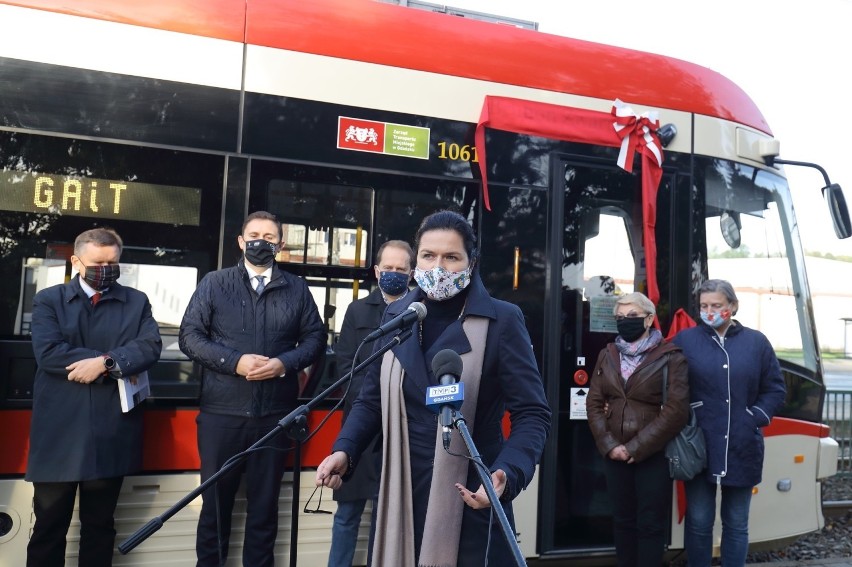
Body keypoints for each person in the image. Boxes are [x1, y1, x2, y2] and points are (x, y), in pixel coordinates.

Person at [315, 210, 551, 567]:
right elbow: (371, 401)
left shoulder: (502, 320)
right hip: (401, 489)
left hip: (471, 493)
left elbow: (533, 414)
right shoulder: (397, 318)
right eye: (428, 256)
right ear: (416, 261)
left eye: (451, 257)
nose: (438, 266)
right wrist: (345, 450)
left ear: (471, 263)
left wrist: (507, 472)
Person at [179, 210, 326, 567]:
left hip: (275, 418)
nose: (262, 241)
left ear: (280, 244)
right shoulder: (215, 283)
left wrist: (284, 364)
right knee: (213, 509)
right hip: (221, 416)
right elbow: (189, 337)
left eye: (270, 236)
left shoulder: (297, 287)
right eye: (255, 235)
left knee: (264, 512)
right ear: (242, 242)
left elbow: (316, 339)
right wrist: (235, 362)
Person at [26, 228, 162, 567]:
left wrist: (103, 363)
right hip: (59, 434)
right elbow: (48, 353)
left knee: (100, 527)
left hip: (110, 431)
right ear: (75, 261)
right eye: (98, 262)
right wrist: (109, 359)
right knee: (48, 526)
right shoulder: (48, 300)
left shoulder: (137, 301)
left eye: (112, 262)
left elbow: (149, 347)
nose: (106, 268)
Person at [672, 279, 786, 567]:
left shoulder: (756, 342)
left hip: (741, 444)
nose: (709, 311)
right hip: (699, 445)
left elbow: (775, 388)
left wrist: (755, 417)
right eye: (704, 306)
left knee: (736, 523)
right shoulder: (685, 341)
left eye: (717, 305)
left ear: (732, 306)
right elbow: (666, 383)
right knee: (698, 521)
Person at [586, 291, 689, 567]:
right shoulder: (607, 355)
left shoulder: (671, 357)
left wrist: (635, 448)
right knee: (622, 521)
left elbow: (676, 410)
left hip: (652, 454)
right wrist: (609, 446)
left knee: (650, 524)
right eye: (620, 317)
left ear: (649, 319)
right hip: (614, 453)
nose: (625, 321)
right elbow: (594, 403)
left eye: (632, 316)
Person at [328, 239, 415, 567]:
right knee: (347, 516)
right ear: (377, 271)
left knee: (388, 518)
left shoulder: (419, 312)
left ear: (411, 274)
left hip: (402, 430)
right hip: (360, 428)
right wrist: (378, 399)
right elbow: (346, 365)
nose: (393, 274)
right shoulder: (357, 310)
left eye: (400, 269)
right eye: (388, 268)